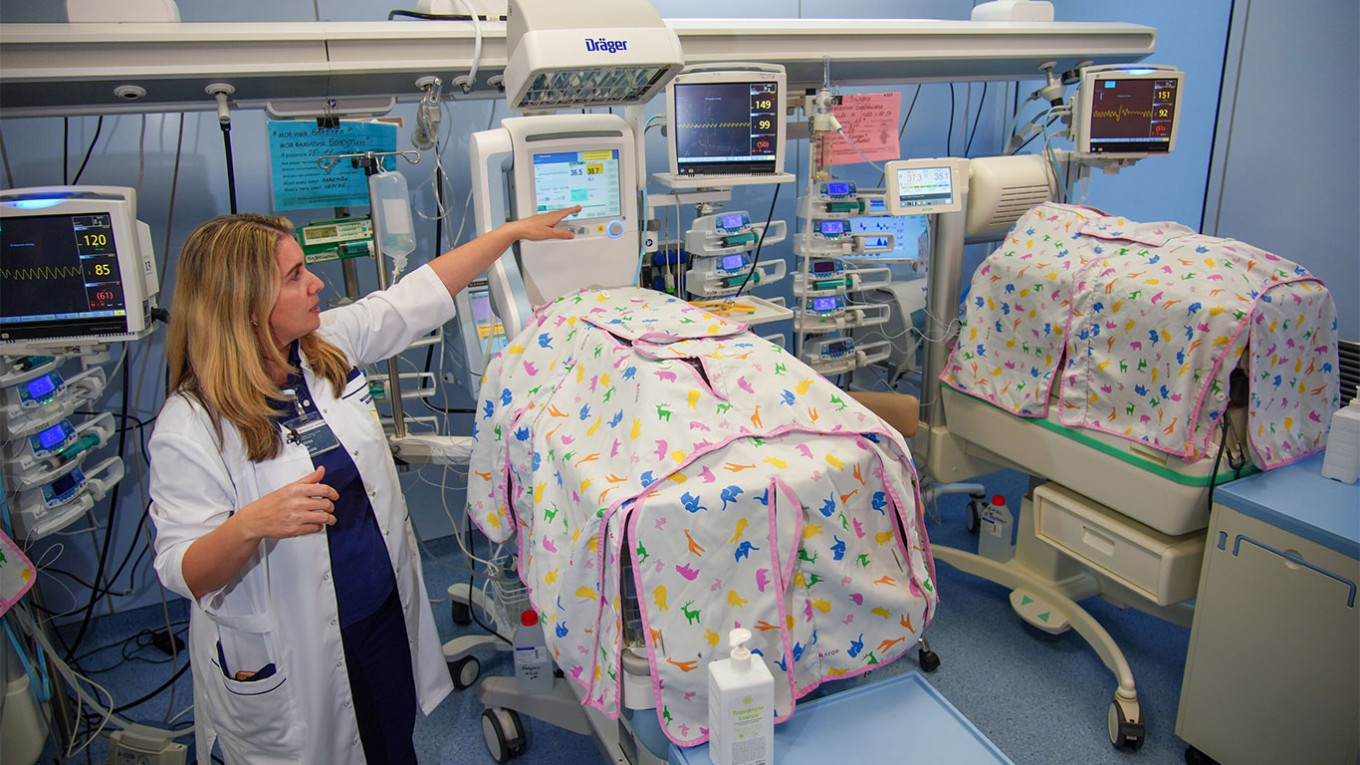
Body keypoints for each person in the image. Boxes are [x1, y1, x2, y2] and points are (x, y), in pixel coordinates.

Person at [147, 205, 581, 765]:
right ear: (247, 306)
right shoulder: (191, 424)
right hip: (293, 641)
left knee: (392, 741)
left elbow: (414, 296)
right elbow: (181, 569)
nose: (315, 283)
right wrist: (251, 524)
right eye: (295, 276)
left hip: (379, 606)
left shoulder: (321, 346)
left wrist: (509, 233)